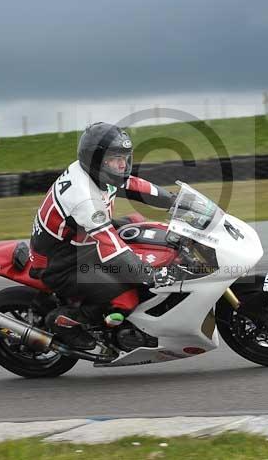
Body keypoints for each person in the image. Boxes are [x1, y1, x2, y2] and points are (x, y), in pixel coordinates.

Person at [30, 122, 176, 349]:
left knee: (140, 224)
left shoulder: (97, 172)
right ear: (96, 159)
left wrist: (174, 201)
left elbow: (134, 185)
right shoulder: (83, 197)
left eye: (125, 158)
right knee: (126, 298)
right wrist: (146, 274)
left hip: (80, 238)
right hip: (62, 261)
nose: (122, 165)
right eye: (115, 159)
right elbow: (110, 245)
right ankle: (66, 322)